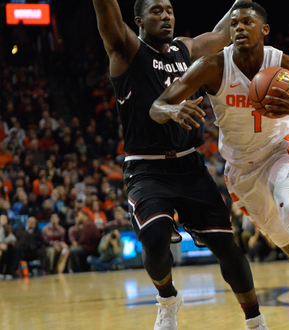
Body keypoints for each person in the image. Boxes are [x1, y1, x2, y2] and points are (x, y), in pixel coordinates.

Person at [150, 3, 289, 329]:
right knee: (286, 237)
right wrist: (171, 112)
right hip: (242, 170)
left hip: (281, 150)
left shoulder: (286, 64)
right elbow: (158, 104)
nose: (239, 27)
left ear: (264, 30)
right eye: (234, 23)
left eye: (247, 22)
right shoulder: (212, 66)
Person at [91, 0, 268, 329]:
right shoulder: (127, 49)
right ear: (139, 20)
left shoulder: (184, 49)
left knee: (228, 247)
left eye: (169, 10)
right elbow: (106, 13)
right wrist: (171, 110)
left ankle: (255, 321)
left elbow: (223, 32)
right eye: (156, 10)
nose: (166, 16)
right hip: (147, 169)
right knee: (155, 237)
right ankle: (168, 299)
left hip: (189, 167)